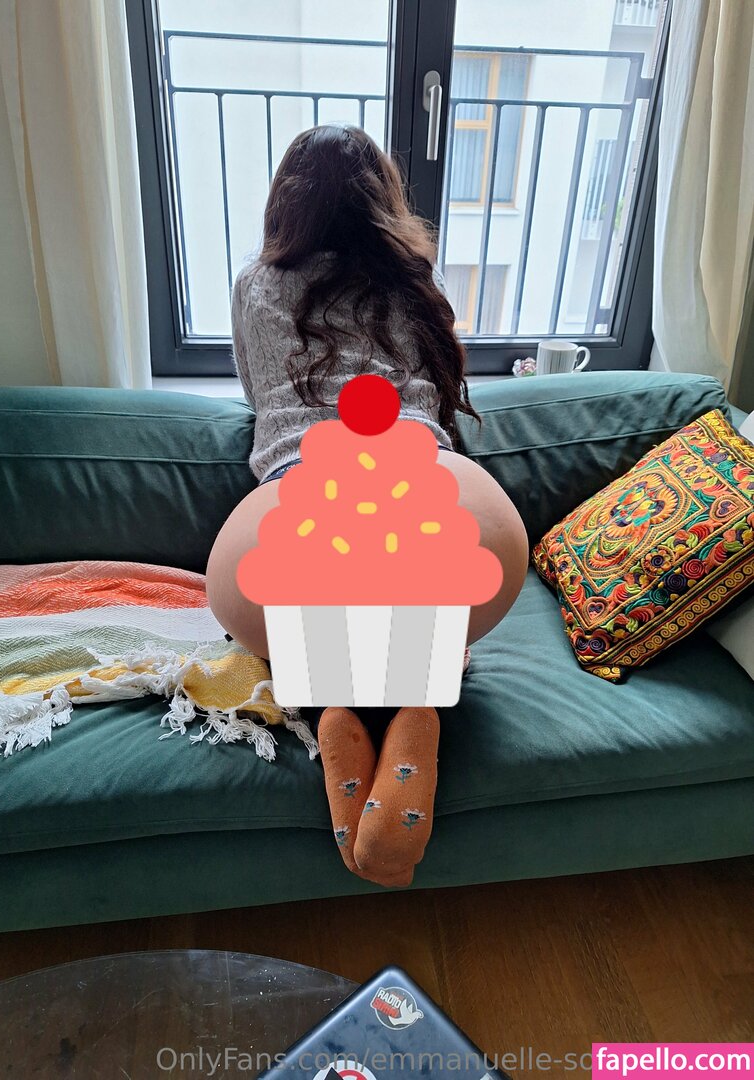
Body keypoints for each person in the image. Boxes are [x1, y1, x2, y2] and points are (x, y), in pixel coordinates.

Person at [207, 124, 528, 887]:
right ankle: (414, 695)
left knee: (301, 610)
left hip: (301, 488)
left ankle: (334, 704)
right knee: (423, 599)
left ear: (286, 203)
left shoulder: (257, 283)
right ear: (383, 197)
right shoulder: (412, 278)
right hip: (431, 480)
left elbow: (257, 393)